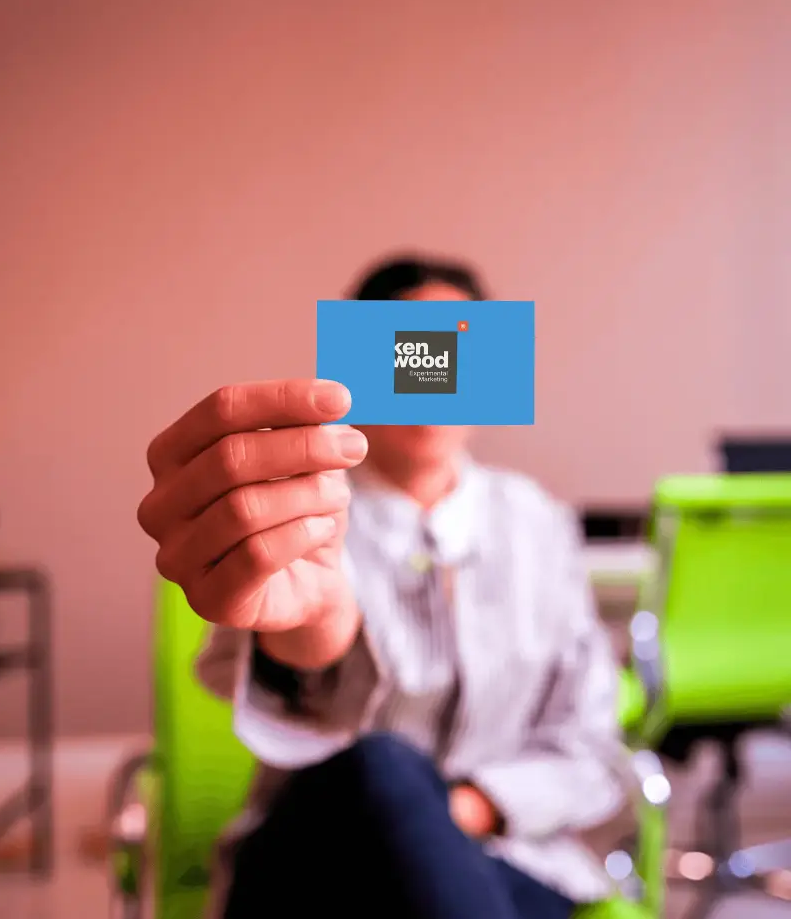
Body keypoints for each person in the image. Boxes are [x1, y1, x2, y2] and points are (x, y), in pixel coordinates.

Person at [137, 252, 629, 919]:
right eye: (408, 351)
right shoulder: (299, 511)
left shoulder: (538, 522)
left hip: (510, 860)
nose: (434, 373)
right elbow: (300, 678)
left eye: (455, 349)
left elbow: (593, 746)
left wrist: (466, 810)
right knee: (379, 767)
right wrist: (312, 631)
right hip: (318, 866)